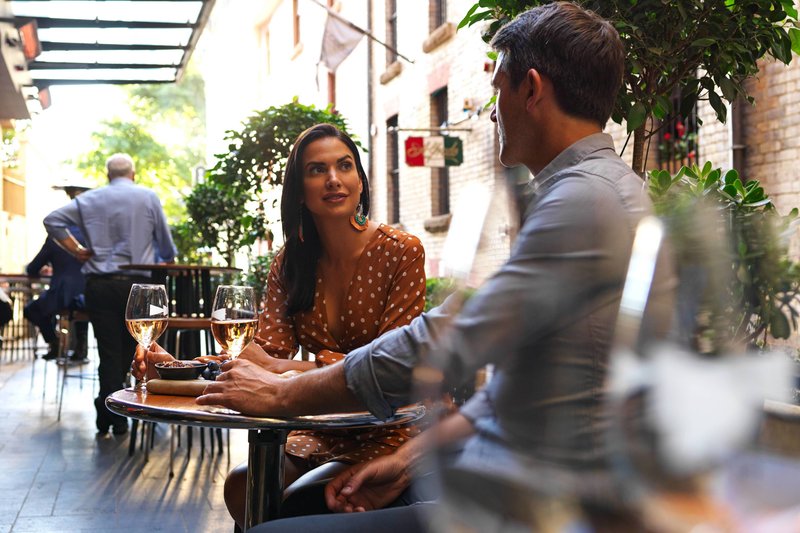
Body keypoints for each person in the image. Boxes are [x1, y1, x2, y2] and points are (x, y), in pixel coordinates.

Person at [195, 2, 675, 531]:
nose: (492, 111)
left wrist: (284, 392)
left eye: (497, 89)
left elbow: (437, 342)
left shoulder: (583, 201)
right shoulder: (595, 191)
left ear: (531, 89)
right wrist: (408, 460)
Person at [134, 123, 427, 528]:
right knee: (242, 484)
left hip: (387, 426)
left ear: (360, 181)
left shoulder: (401, 253)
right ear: (299, 192)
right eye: (316, 170)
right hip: (315, 420)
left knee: (291, 501)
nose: (333, 180)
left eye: (345, 166)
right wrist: (175, 366)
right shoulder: (291, 263)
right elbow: (264, 357)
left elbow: (392, 367)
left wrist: (285, 371)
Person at [44, 153, 177, 436]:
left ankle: (108, 412)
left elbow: (52, 220)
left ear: (107, 175)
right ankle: (117, 412)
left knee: (108, 352)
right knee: (132, 352)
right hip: (138, 288)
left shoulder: (90, 199)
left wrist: (76, 249)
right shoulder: (147, 197)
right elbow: (167, 250)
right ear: (133, 173)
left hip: (100, 286)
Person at [24, 184, 91, 363]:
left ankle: (54, 342)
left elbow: (32, 268)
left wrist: (45, 269)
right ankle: (80, 349)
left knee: (31, 310)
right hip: (89, 296)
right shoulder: (91, 233)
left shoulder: (57, 235)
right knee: (81, 312)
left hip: (61, 294)